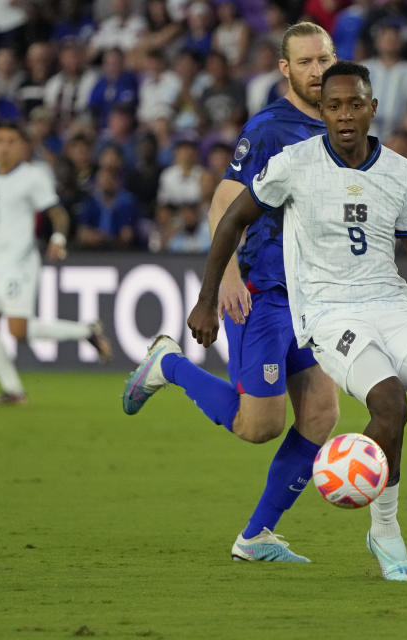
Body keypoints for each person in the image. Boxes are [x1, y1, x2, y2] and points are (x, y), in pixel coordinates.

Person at [186, 61, 407, 582]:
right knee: (390, 405)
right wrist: (207, 298)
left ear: (372, 108)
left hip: (391, 305)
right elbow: (233, 219)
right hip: (327, 312)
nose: (343, 115)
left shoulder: (401, 171)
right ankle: (385, 534)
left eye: (354, 104)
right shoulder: (294, 163)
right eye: (333, 106)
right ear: (322, 110)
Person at [121, 22, 341, 563]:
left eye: (325, 59)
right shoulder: (268, 128)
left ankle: (256, 536)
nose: (319, 71)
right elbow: (224, 200)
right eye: (307, 62)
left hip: (311, 298)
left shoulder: (345, 123)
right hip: (261, 290)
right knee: (258, 426)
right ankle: (168, 364)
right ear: (285, 70)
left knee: (321, 416)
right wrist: (224, 277)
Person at [0, 121, 112, 406]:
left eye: (11, 141)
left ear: (21, 146)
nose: (5, 146)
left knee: (17, 331)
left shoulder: (33, 177)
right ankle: (13, 391)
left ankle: (86, 331)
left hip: (20, 262)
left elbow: (58, 214)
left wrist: (57, 238)